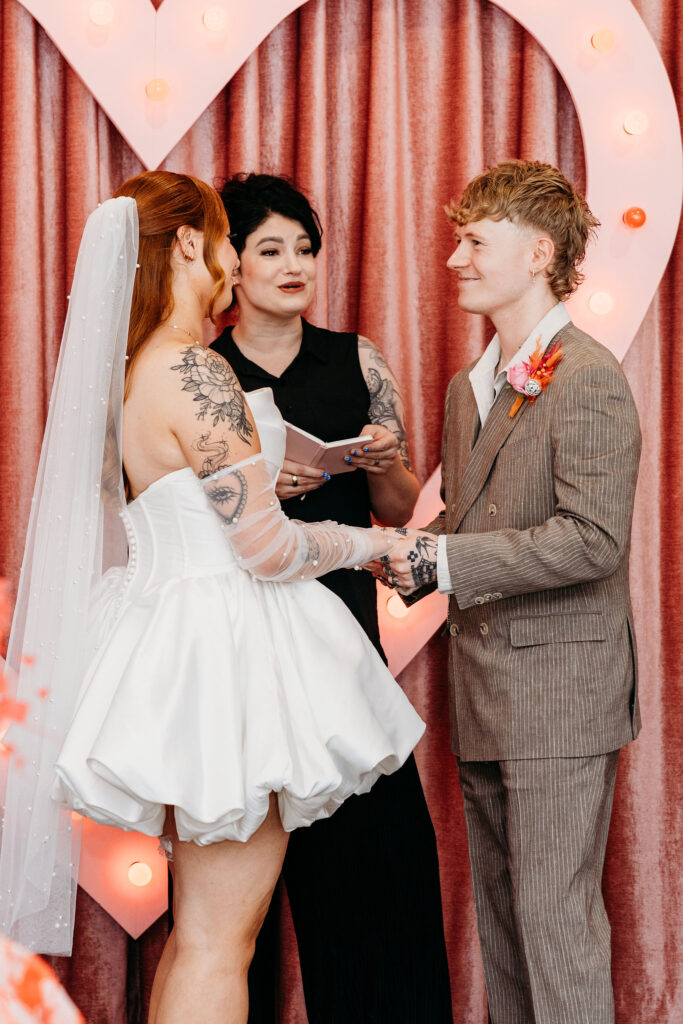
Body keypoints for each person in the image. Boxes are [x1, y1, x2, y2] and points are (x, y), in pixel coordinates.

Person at [0, 171, 427, 1024]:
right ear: (191, 244)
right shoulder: (195, 368)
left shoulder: (128, 373)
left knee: (201, 934)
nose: (238, 260)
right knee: (216, 940)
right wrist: (375, 544)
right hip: (227, 650)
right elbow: (265, 548)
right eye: (233, 241)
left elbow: (172, 505)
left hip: (173, 640)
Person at [382, 160, 641, 1023]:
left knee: (554, 924)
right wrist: (408, 549)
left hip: (561, 697)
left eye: (473, 241)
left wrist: (445, 565)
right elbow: (472, 521)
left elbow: (594, 541)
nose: (453, 258)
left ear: (537, 253)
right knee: (502, 925)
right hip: (485, 692)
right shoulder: (469, 387)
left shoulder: (588, 376)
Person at [211, 173, 453, 1024]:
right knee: (227, 912)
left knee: (378, 882)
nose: (293, 265)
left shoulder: (359, 359)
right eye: (269, 249)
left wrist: (384, 461)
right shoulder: (203, 376)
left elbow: (396, 511)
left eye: (304, 249)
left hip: (347, 648)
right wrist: (253, 489)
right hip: (238, 651)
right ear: (228, 264)